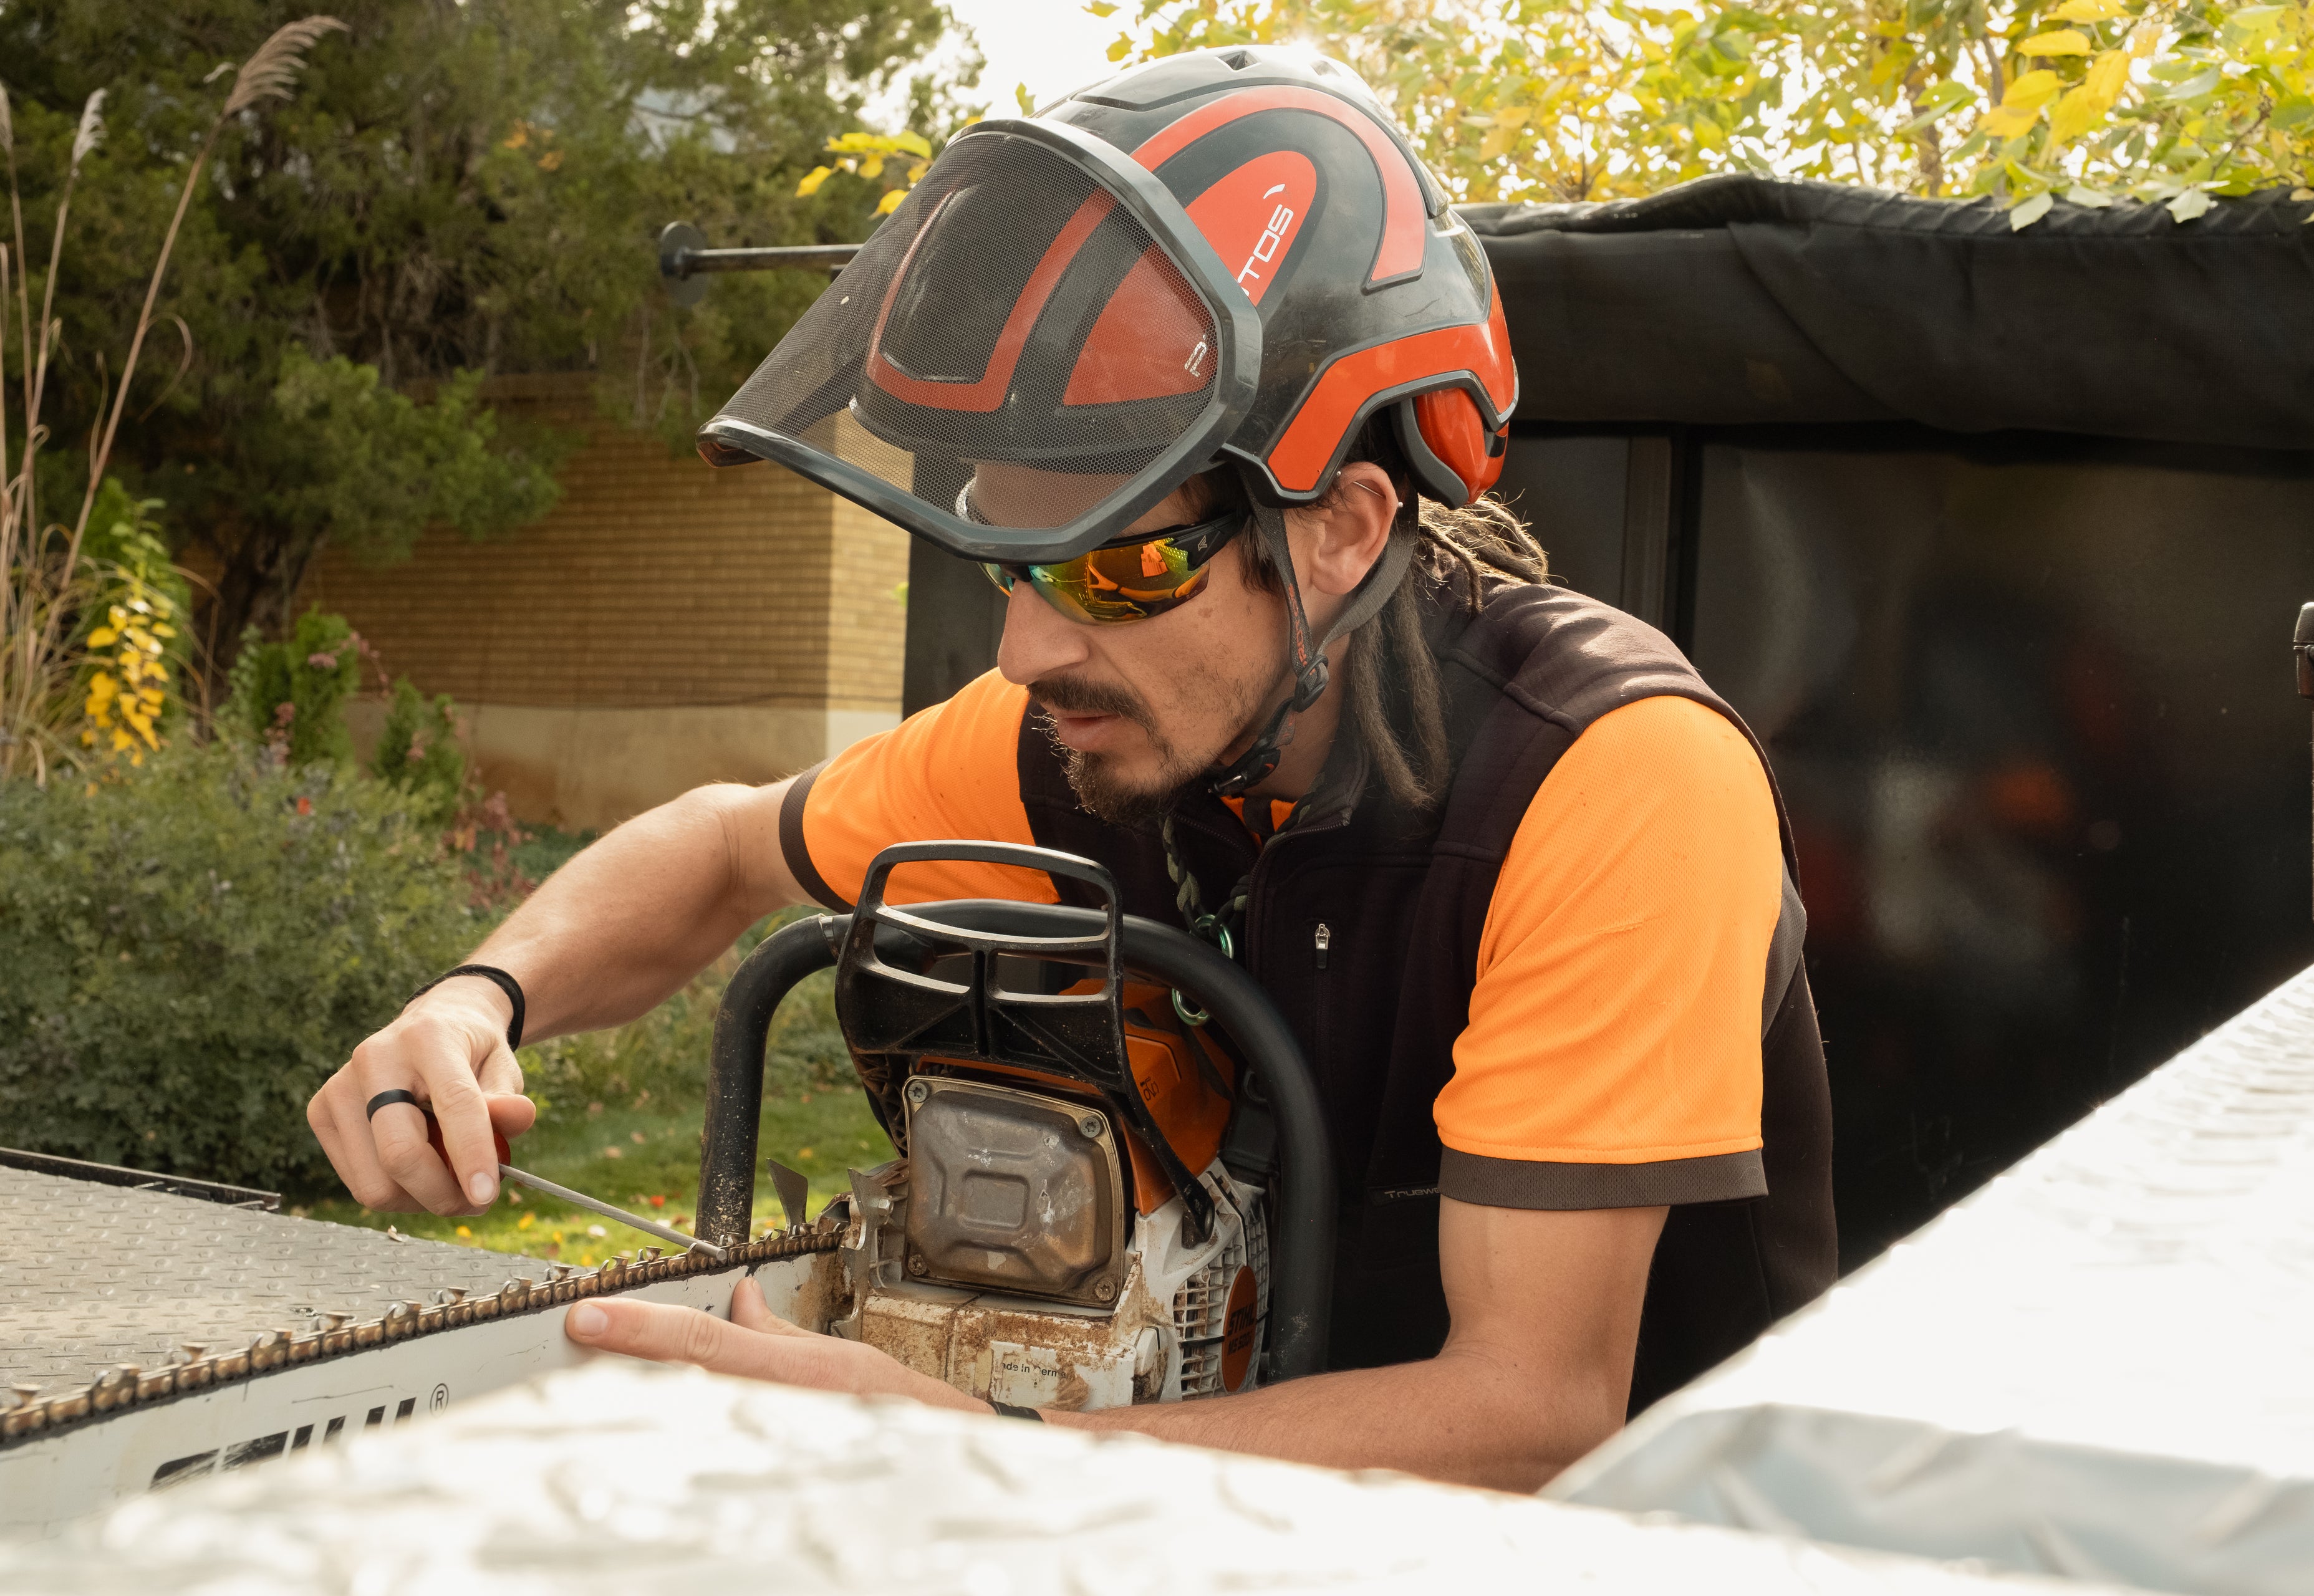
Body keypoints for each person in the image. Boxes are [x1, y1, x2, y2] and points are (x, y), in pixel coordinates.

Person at [305, 45, 1833, 1494]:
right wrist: (478, 999)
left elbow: (1533, 1413)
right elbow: (716, 848)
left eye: (1115, 565)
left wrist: (988, 1455)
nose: (1029, 648)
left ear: (1341, 530)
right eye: (1007, 557)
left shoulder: (1614, 782)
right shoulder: (1093, 725)